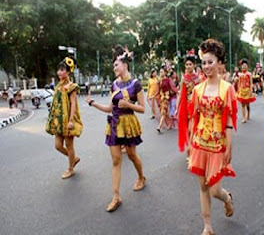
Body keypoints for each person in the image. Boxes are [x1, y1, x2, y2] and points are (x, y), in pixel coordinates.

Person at [86, 45, 146, 212]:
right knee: (116, 160)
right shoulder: (113, 84)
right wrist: (93, 103)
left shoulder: (136, 84)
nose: (114, 68)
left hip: (128, 124)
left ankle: (141, 177)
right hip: (114, 124)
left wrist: (128, 104)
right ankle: (116, 196)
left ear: (125, 65)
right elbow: (110, 108)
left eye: (116, 65)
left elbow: (142, 108)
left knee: (133, 156)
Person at [188, 38, 237, 235]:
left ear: (219, 62)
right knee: (202, 186)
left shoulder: (227, 89)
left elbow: (229, 122)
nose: (207, 66)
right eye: (204, 62)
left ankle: (227, 199)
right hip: (200, 142)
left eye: (210, 62)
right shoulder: (198, 89)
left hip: (218, 144)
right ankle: (207, 225)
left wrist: (229, 147)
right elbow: (194, 117)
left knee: (215, 189)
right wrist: (191, 143)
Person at [46, 56, 83, 179]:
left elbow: (73, 104)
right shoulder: (58, 86)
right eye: (59, 70)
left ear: (68, 72)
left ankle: (70, 168)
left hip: (67, 121)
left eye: (62, 70)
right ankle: (74, 158)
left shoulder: (71, 86)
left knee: (69, 145)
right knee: (58, 145)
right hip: (58, 122)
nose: (59, 72)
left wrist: (71, 120)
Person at [177, 49, 203, 154]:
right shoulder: (184, 79)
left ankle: (192, 150)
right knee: (186, 129)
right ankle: (190, 149)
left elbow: (201, 94)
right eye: (186, 64)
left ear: (194, 65)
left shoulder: (199, 79)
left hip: (196, 106)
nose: (188, 66)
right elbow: (180, 93)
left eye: (190, 64)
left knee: (193, 128)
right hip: (185, 106)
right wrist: (176, 108)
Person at [157, 66, 178, 133]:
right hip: (161, 97)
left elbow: (172, 87)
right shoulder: (159, 80)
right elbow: (158, 90)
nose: (160, 73)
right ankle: (169, 124)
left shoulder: (168, 80)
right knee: (165, 112)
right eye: (160, 72)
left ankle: (159, 126)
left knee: (163, 112)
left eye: (162, 72)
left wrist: (177, 91)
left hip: (166, 97)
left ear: (165, 73)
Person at [237, 59, 256, 123]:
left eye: (245, 66)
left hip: (247, 90)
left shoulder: (249, 74)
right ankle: (243, 118)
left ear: (247, 67)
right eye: (243, 66)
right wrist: (238, 90)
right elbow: (239, 83)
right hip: (242, 90)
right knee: (242, 105)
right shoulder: (240, 75)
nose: (244, 67)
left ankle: (248, 114)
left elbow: (251, 82)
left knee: (247, 105)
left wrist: (251, 90)